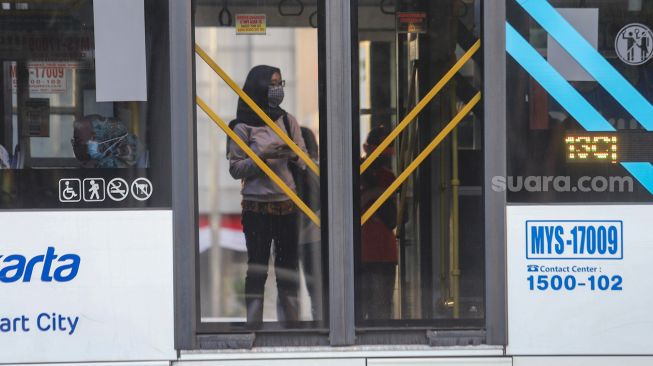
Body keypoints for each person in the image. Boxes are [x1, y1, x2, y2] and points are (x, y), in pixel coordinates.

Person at [228, 65, 307, 327]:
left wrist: (291, 153)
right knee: (258, 267)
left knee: (288, 268)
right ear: (258, 87)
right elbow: (236, 168)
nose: (278, 89)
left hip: (287, 204)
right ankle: (254, 323)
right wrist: (262, 159)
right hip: (256, 207)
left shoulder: (288, 121)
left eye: (280, 82)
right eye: (272, 84)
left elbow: (305, 161)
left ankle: (291, 323)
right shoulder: (242, 127)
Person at [359, 125, 398, 320]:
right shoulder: (355, 174)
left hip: (381, 251)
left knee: (381, 310)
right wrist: (376, 194)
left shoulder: (388, 177)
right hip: (365, 250)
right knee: (370, 308)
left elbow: (394, 218)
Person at [71, 115, 143, 168]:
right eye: (123, 149)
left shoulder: (120, 166)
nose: (118, 152)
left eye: (122, 155)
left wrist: (93, 163)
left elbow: (96, 169)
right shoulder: (118, 129)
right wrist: (89, 136)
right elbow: (87, 123)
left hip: (81, 156)